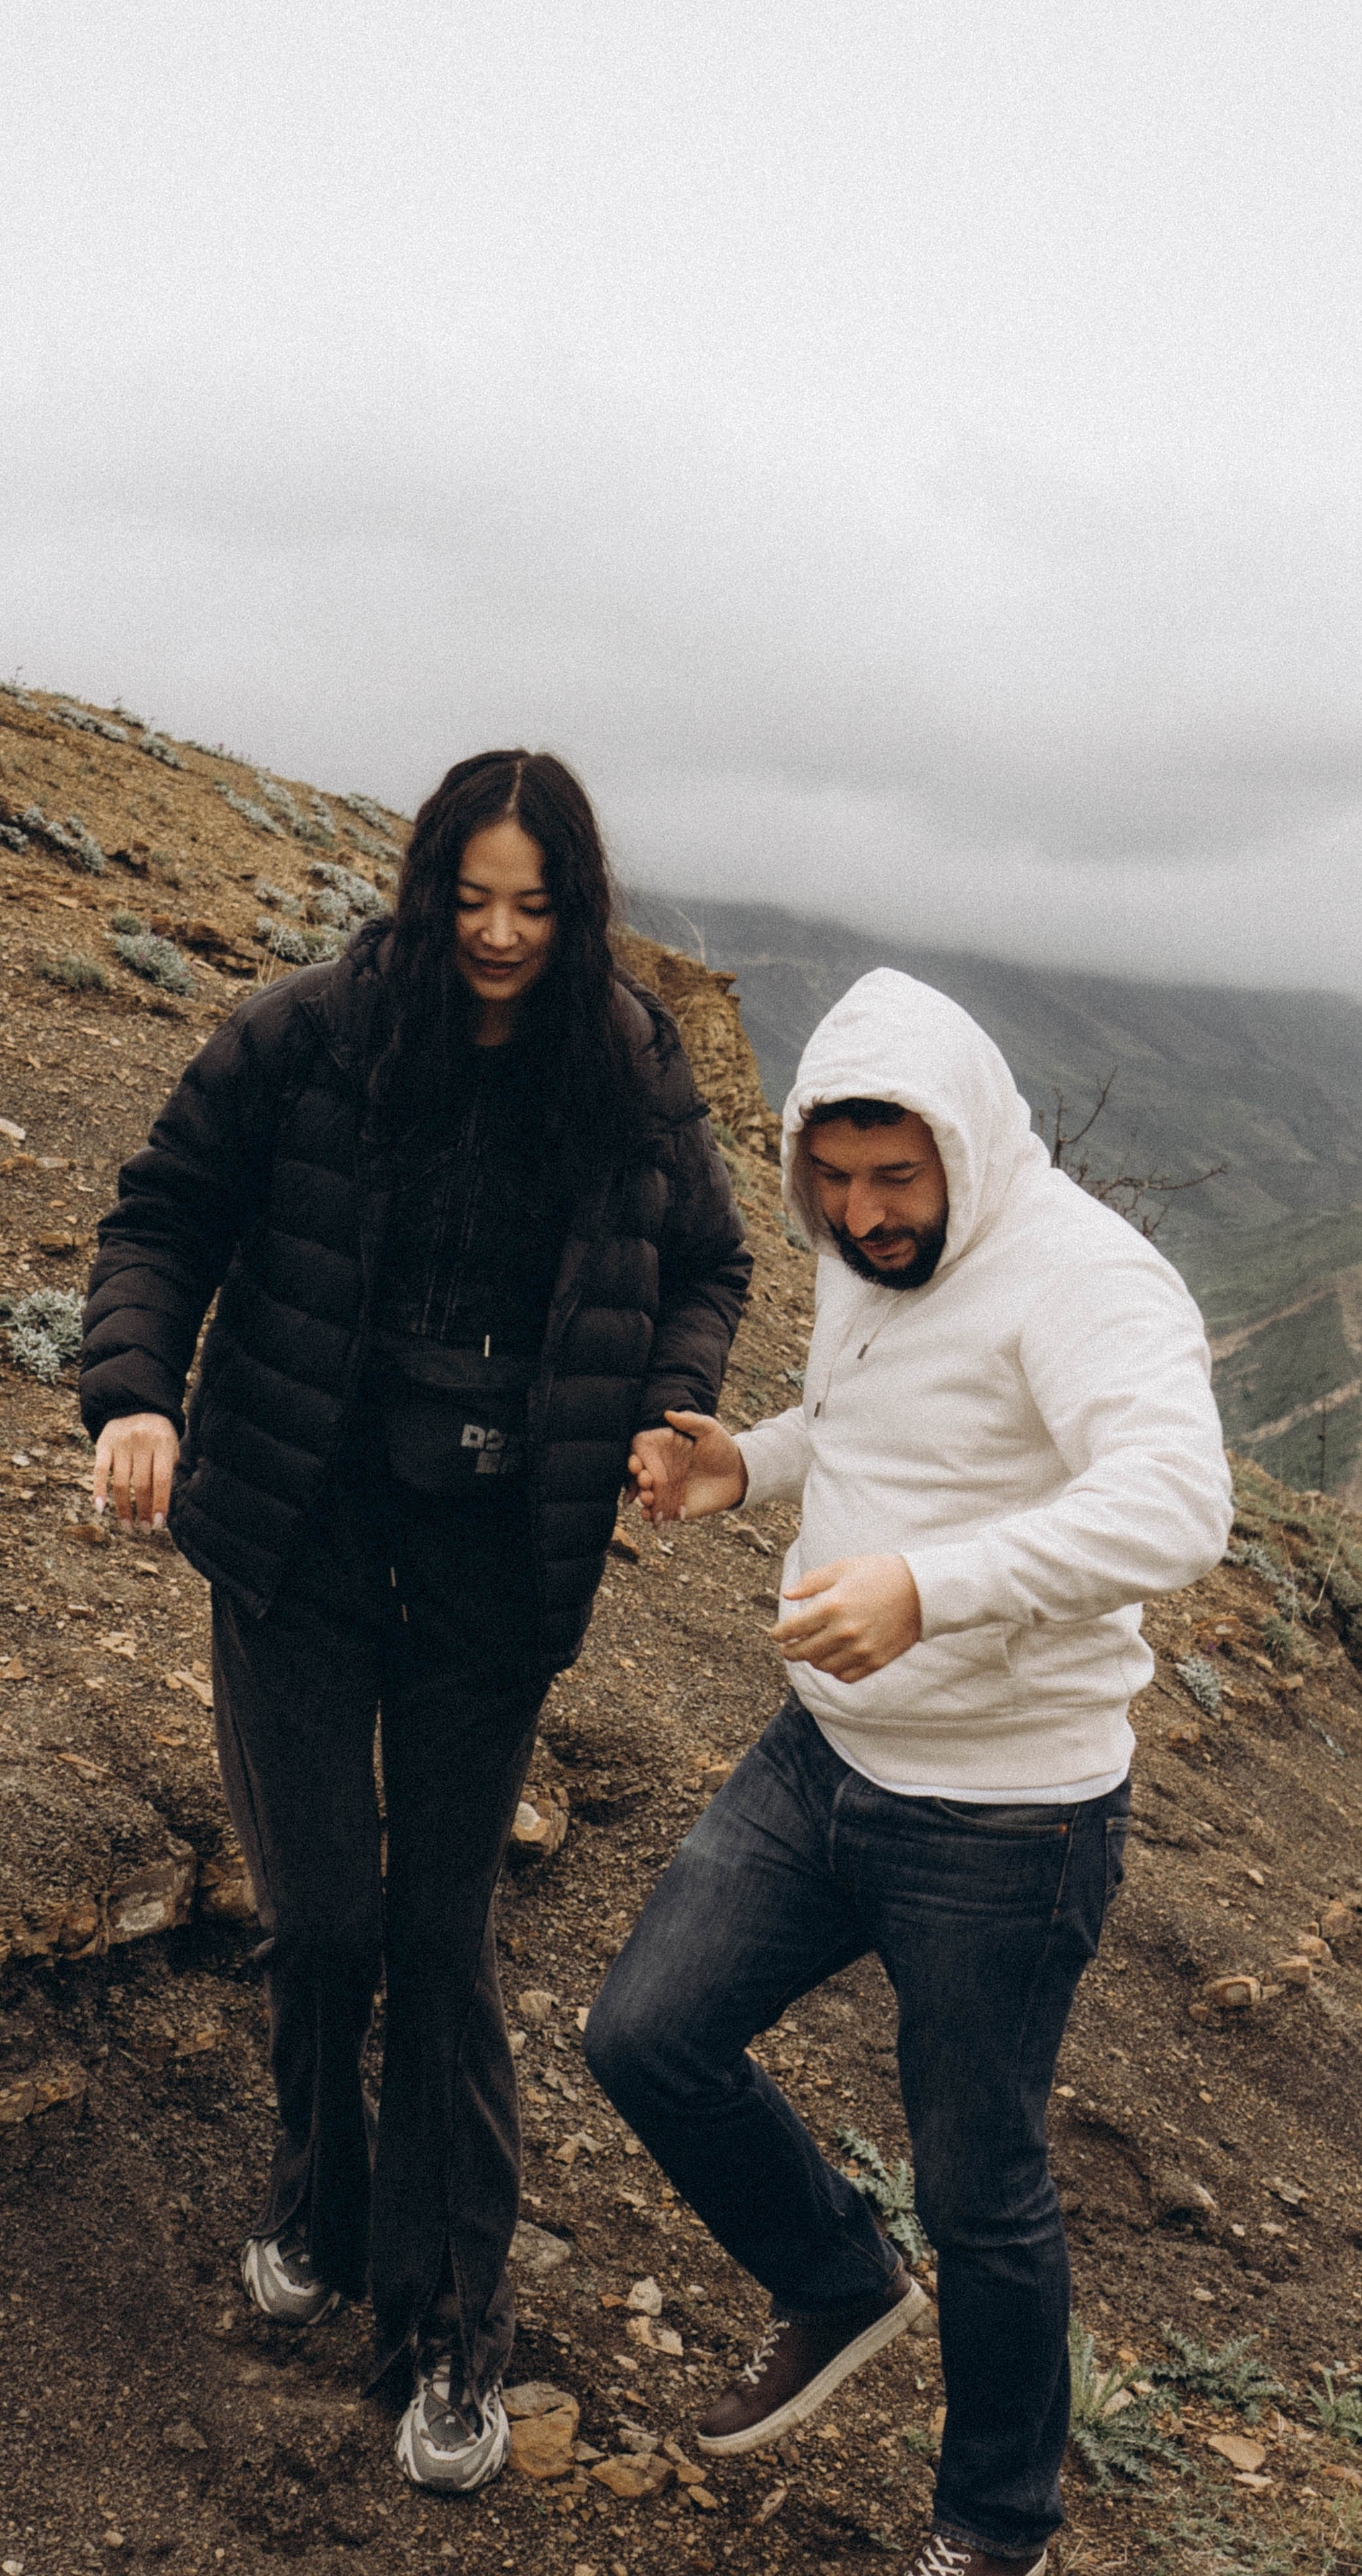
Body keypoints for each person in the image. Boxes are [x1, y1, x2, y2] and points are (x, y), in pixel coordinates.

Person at [79, 750, 751, 2493]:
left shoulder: (623, 1057)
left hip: (491, 1563)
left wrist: (675, 1405)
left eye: (537, 906)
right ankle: (320, 2205)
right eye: (474, 901)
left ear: (577, 902)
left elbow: (706, 1262)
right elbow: (165, 1214)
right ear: (424, 886)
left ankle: (451, 2334)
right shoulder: (308, 1033)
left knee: (440, 1943)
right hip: (299, 1531)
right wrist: (135, 1398)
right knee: (322, 1920)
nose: (504, 936)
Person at [586, 967, 1232, 2576]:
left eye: (898, 1179)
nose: (866, 1216)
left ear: (968, 1145)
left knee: (981, 2186)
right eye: (837, 1179)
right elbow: (862, 1420)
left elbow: (1174, 1506)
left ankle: (993, 2526)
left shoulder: (1087, 1278)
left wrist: (931, 1587)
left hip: (1011, 1812)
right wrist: (750, 1461)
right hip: (827, 1761)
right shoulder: (868, 1258)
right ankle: (835, 2282)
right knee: (645, 2038)